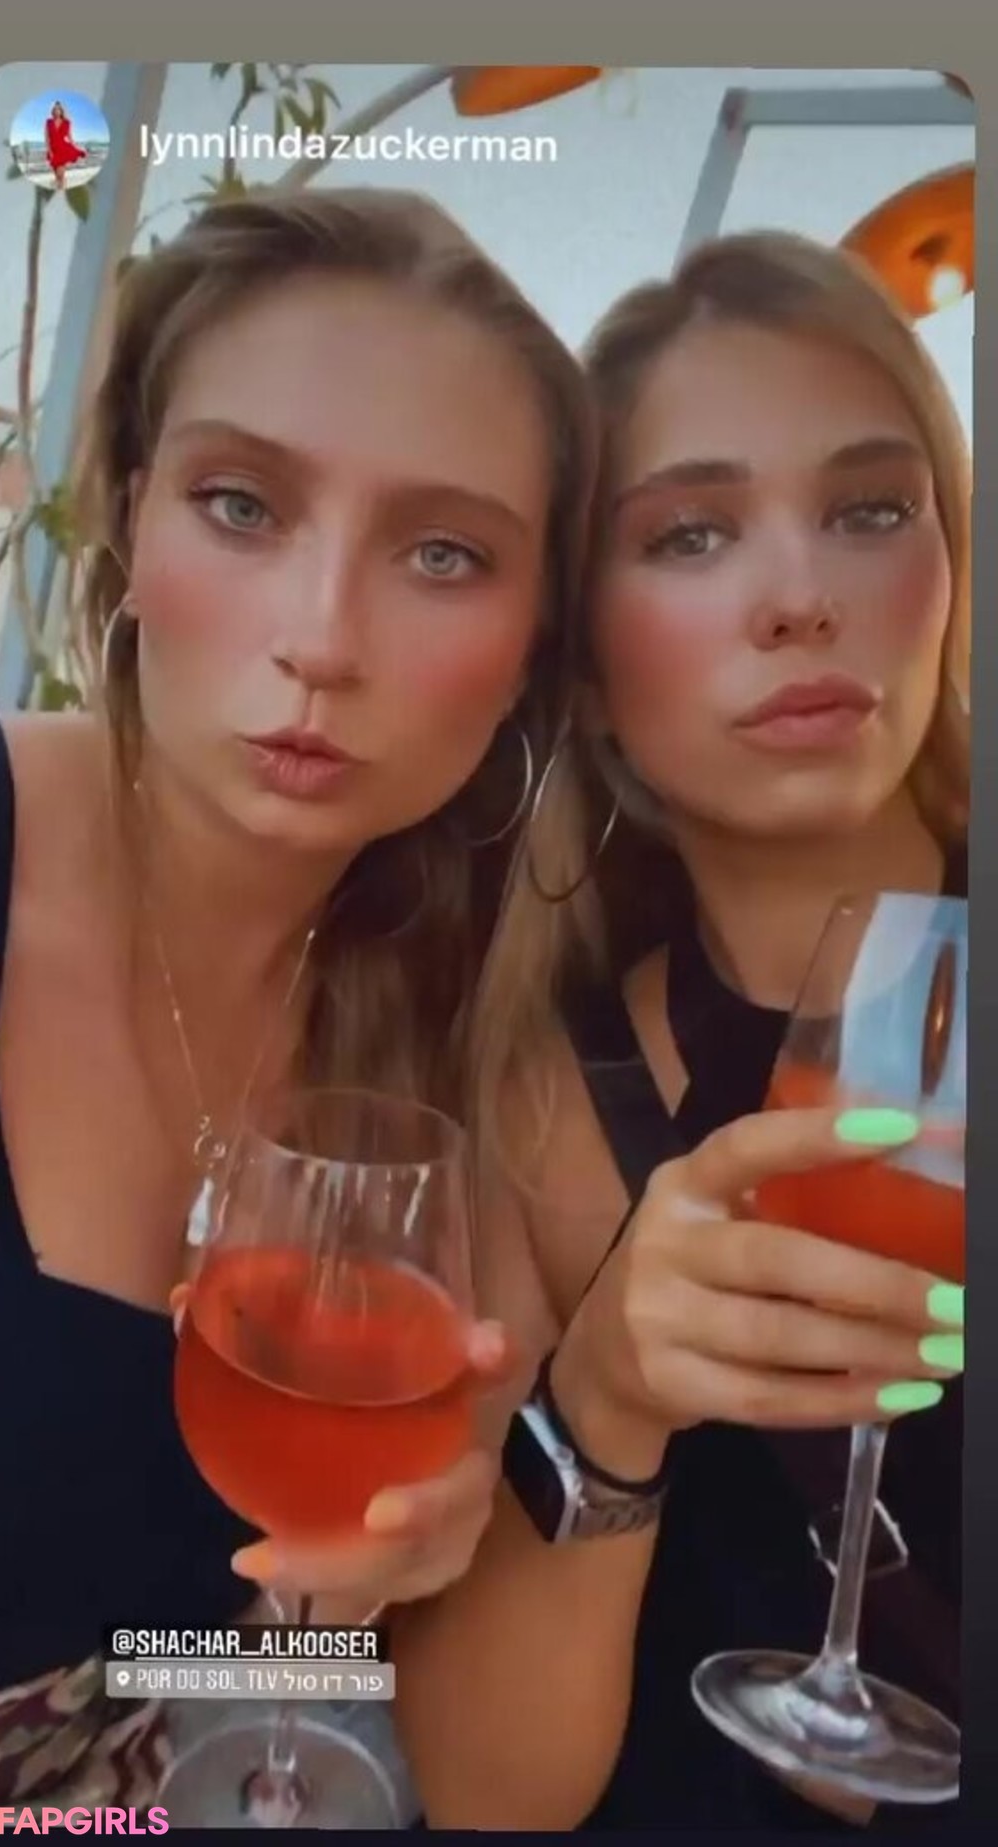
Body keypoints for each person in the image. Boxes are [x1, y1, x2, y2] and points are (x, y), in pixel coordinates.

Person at [0, 185, 599, 1809]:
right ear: (131, 517)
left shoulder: (453, 1057)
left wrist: (361, 1609)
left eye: (444, 553)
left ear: (535, 642)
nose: (322, 638)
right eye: (242, 504)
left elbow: (459, 1768)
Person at [392, 230, 969, 1832]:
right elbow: (488, 1788)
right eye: (692, 533)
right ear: (579, 664)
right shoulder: (551, 1091)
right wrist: (605, 1398)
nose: (801, 599)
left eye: (872, 509)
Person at [45, 101, 88, 189]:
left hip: (63, 150)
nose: (57, 111)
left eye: (59, 109)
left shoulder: (67, 122)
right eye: (55, 109)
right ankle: (61, 187)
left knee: (60, 174)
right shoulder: (48, 122)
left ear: (62, 111)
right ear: (53, 111)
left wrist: (77, 148)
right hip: (53, 150)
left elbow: (70, 138)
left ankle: (61, 186)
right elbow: (46, 138)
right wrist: (49, 151)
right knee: (57, 176)